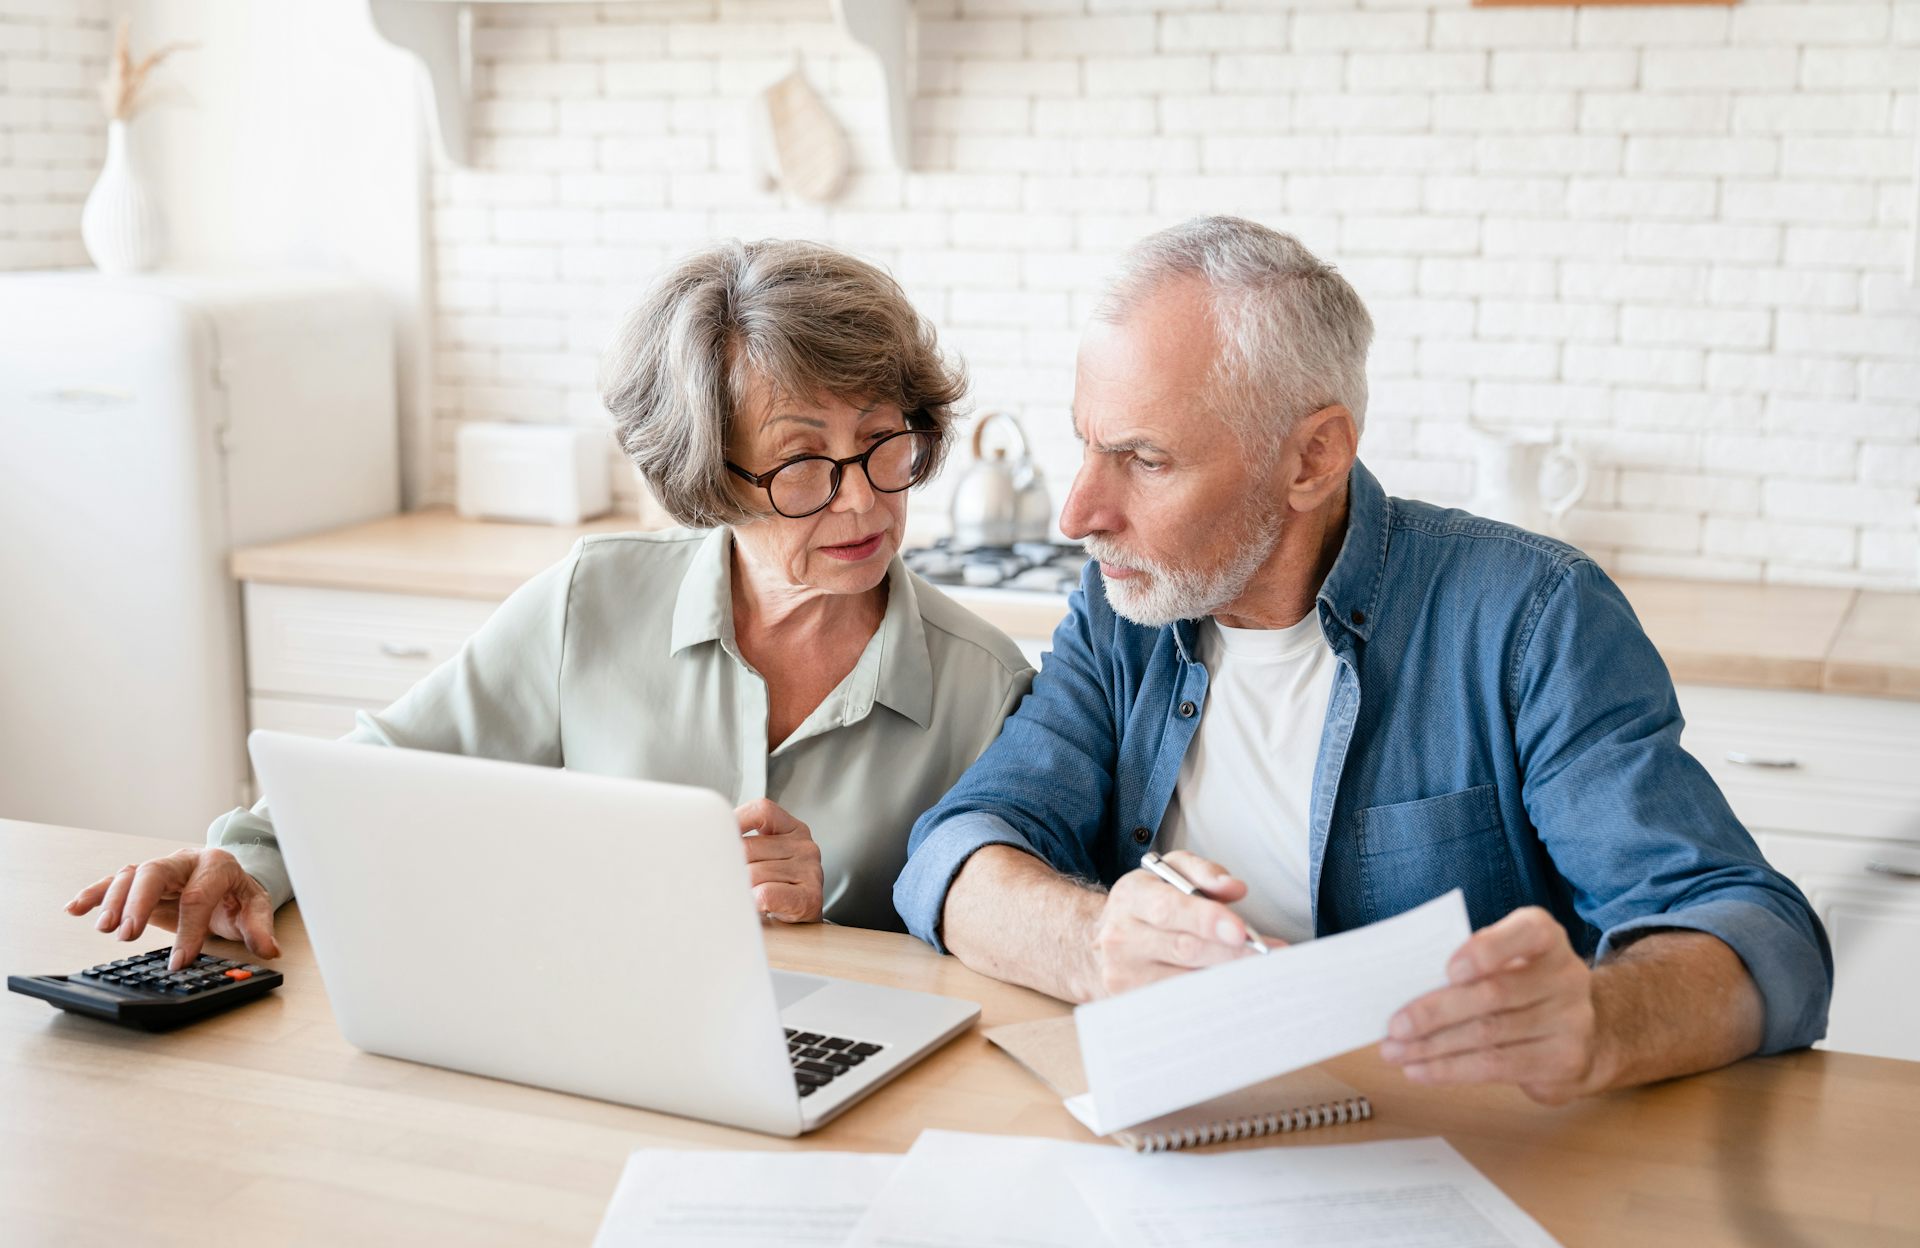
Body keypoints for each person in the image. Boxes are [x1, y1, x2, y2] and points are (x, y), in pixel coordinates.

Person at [899, 216, 1831, 1105]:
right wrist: (1095, 939)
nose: (1078, 515)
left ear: (1314, 457)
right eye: (1087, 445)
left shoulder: (1530, 616)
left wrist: (1601, 1017)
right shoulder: (1126, 614)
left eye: (1144, 458)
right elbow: (956, 852)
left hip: (1469, 1155)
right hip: (1184, 1139)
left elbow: (1760, 934)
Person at [67, 239, 1033, 971]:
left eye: (882, 441)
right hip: (587, 1047)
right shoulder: (593, 601)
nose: (863, 497)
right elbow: (381, 778)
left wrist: (829, 928)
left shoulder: (988, 690)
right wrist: (240, 863)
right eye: (802, 463)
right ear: (711, 477)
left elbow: (995, 969)